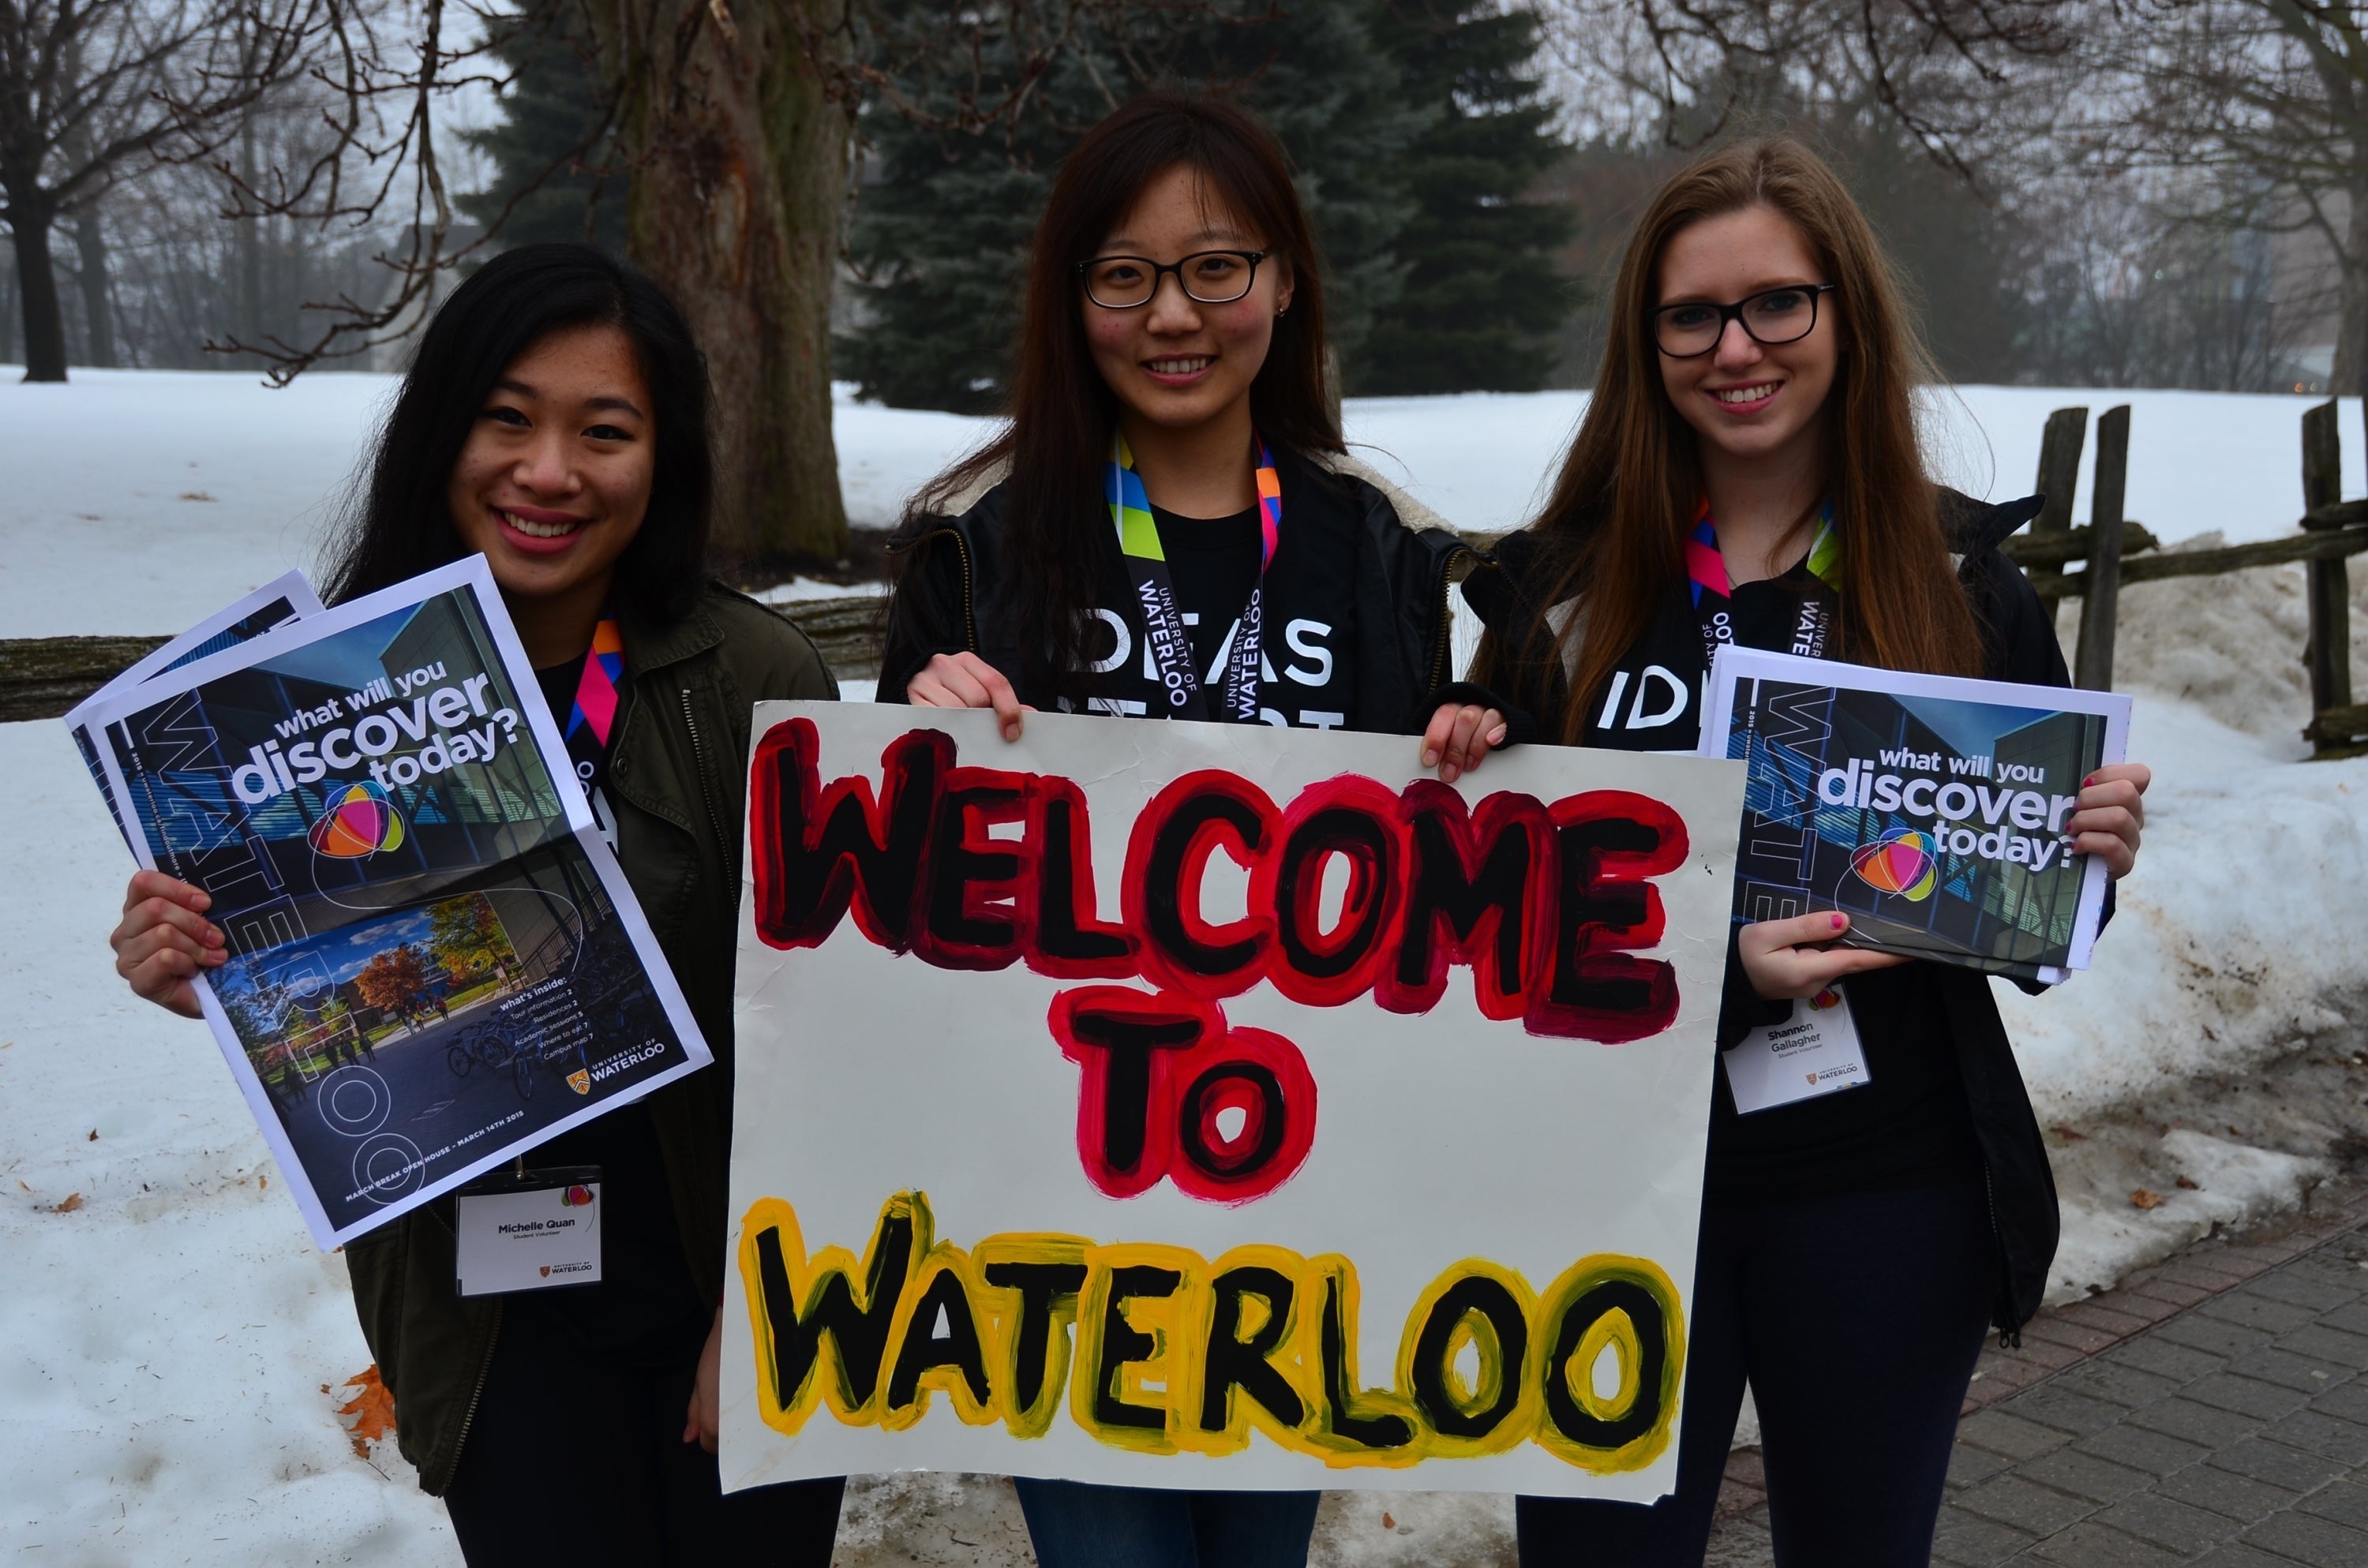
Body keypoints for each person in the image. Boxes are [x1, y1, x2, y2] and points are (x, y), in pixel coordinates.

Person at [1460, 140, 2153, 1564]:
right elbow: (1495, 932)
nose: (1737, 348)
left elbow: (2020, 928)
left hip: (1886, 1195)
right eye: (1692, 316)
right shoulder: (1563, 596)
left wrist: (2076, 858)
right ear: (1644, 342)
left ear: (1845, 315)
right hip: (1618, 1192)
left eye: (1779, 303)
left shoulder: (1958, 588)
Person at [104, 244, 846, 1566]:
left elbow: (842, 1023)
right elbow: (316, 997)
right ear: (440, 431)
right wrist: (196, 960)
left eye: (602, 431)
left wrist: (771, 1304)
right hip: (491, 1313)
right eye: (507, 418)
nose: (548, 472)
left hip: (728, 1288)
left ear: (661, 457)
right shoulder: (306, 697)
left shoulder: (752, 675)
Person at [879, 91, 1504, 1568]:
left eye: (1217, 267)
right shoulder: (977, 545)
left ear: (1285, 282)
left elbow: (1440, 882)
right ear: (1072, 297)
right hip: (1059, 1208)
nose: (1175, 314)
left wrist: (1475, 755)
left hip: (1300, 1196)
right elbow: (889, 915)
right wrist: (917, 725)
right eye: (1124, 275)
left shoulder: (1379, 547)